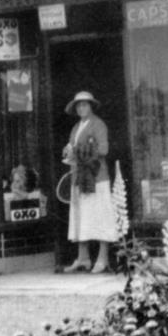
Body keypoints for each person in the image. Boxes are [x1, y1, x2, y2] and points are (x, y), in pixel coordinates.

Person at [62, 91, 117, 273]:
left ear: (91, 106)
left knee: (100, 216)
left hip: (97, 177)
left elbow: (104, 149)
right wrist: (68, 151)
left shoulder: (98, 124)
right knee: (81, 217)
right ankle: (83, 257)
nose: (81, 108)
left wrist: (77, 150)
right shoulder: (76, 127)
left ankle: (102, 258)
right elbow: (72, 148)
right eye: (78, 105)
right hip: (79, 177)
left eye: (84, 104)